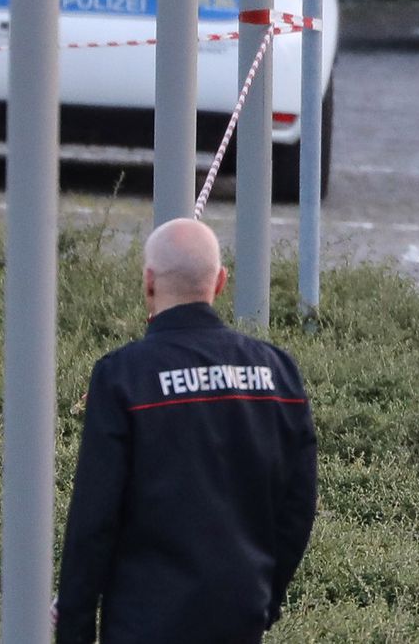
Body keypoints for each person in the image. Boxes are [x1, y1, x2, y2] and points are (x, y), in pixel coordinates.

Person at [55, 219, 318, 644]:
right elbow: (298, 506)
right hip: (239, 615)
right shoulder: (278, 372)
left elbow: (94, 520)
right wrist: (265, 599)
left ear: (148, 282)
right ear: (220, 282)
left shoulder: (123, 377)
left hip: (141, 623)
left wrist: (75, 630)